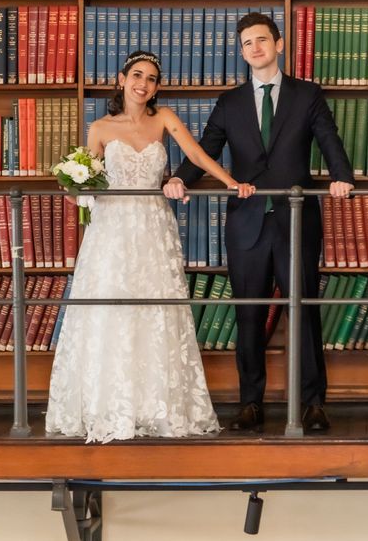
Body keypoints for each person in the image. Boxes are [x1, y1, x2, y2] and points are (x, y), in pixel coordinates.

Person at [44, 50, 255, 443]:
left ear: (157, 87)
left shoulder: (165, 119)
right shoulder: (100, 128)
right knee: (112, 309)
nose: (143, 83)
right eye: (137, 75)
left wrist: (231, 183)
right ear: (121, 79)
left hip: (153, 227)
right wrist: (74, 189)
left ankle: (156, 406)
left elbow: (196, 155)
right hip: (111, 229)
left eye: (152, 78)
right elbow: (88, 178)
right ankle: (108, 405)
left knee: (155, 310)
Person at [163, 12, 354, 433]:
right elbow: (206, 150)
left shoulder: (307, 95)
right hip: (246, 224)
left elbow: (329, 138)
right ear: (242, 50)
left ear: (279, 44)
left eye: (262, 40)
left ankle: (313, 404)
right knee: (248, 315)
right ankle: (250, 403)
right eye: (247, 42)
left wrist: (342, 176)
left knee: (302, 312)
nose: (255, 48)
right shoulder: (229, 103)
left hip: (295, 219)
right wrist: (179, 178)